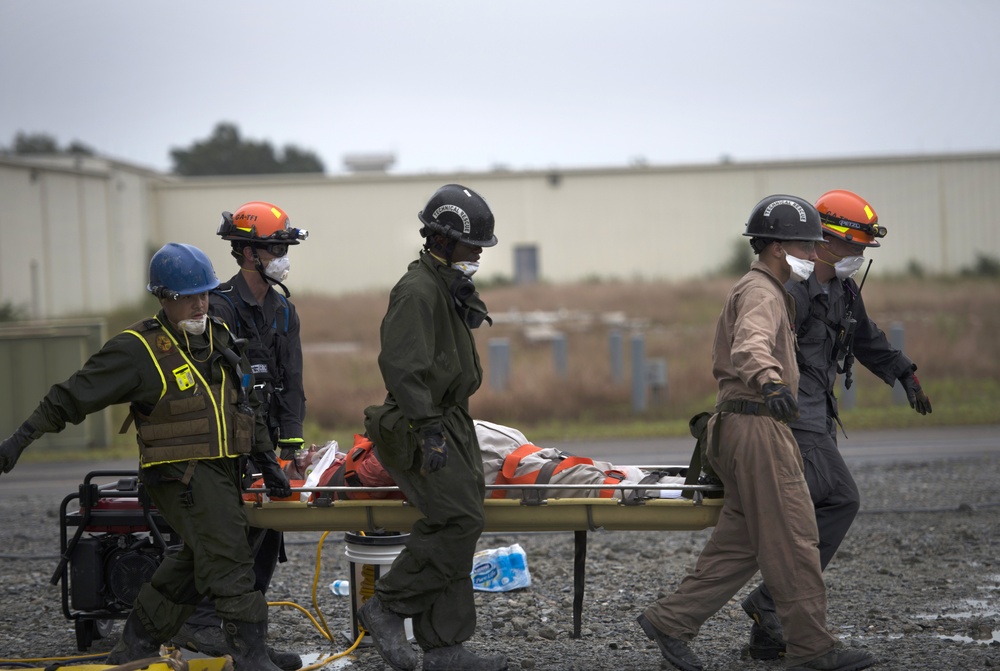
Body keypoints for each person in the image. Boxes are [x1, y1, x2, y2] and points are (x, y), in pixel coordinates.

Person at [0, 243, 292, 670]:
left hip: (225, 469)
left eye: (205, 293)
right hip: (179, 474)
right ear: (163, 297)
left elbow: (244, 404)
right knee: (229, 553)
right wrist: (19, 440)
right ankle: (250, 654)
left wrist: (267, 460)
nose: (199, 303)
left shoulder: (220, 337)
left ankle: (136, 644)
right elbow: (70, 397)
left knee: (196, 560)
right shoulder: (135, 349)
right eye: (186, 296)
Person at [636, 195, 877, 671]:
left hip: (740, 428)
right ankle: (813, 650)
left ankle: (670, 620)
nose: (813, 255)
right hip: (757, 426)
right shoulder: (763, 292)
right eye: (806, 246)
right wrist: (770, 381)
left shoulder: (765, 288)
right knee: (795, 538)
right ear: (776, 247)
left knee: (742, 544)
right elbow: (750, 345)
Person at [740, 189, 932, 659]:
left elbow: (867, 339)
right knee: (839, 500)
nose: (860, 255)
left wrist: (905, 373)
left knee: (788, 521)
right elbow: (755, 346)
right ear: (825, 239)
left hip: (817, 418)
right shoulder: (787, 291)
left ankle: (768, 633)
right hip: (792, 419)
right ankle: (773, 609)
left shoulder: (843, 292)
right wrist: (770, 390)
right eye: (855, 246)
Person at [359, 184, 507, 671]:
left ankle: (445, 648)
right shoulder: (418, 290)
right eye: (471, 247)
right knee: (457, 521)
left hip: (449, 417)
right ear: (442, 240)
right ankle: (387, 607)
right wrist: (428, 429)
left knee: (463, 522)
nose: (477, 257)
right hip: (421, 420)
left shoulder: (445, 284)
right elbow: (402, 368)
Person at [171, 201, 307, 670]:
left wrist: (292, 444)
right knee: (234, 540)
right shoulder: (219, 307)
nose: (284, 254)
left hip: (267, 447)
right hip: (229, 447)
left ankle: (247, 642)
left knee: (267, 539)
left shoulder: (283, 309)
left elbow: (292, 382)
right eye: (276, 246)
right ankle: (209, 624)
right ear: (248, 253)